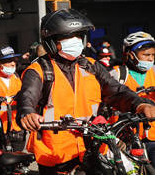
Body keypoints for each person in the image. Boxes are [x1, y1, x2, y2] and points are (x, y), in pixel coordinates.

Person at [16, 9, 155, 174]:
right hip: (55, 153)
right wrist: (27, 113)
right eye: (68, 37)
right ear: (51, 40)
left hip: (92, 147)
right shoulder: (39, 70)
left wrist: (140, 105)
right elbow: (27, 97)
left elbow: (116, 91)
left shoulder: (90, 65)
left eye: (78, 36)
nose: (75, 41)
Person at [110, 31, 155, 166]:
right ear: (130, 54)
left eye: (153, 55)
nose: (150, 59)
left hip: (152, 137)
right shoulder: (117, 74)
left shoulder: (154, 72)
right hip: (125, 139)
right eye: (146, 55)